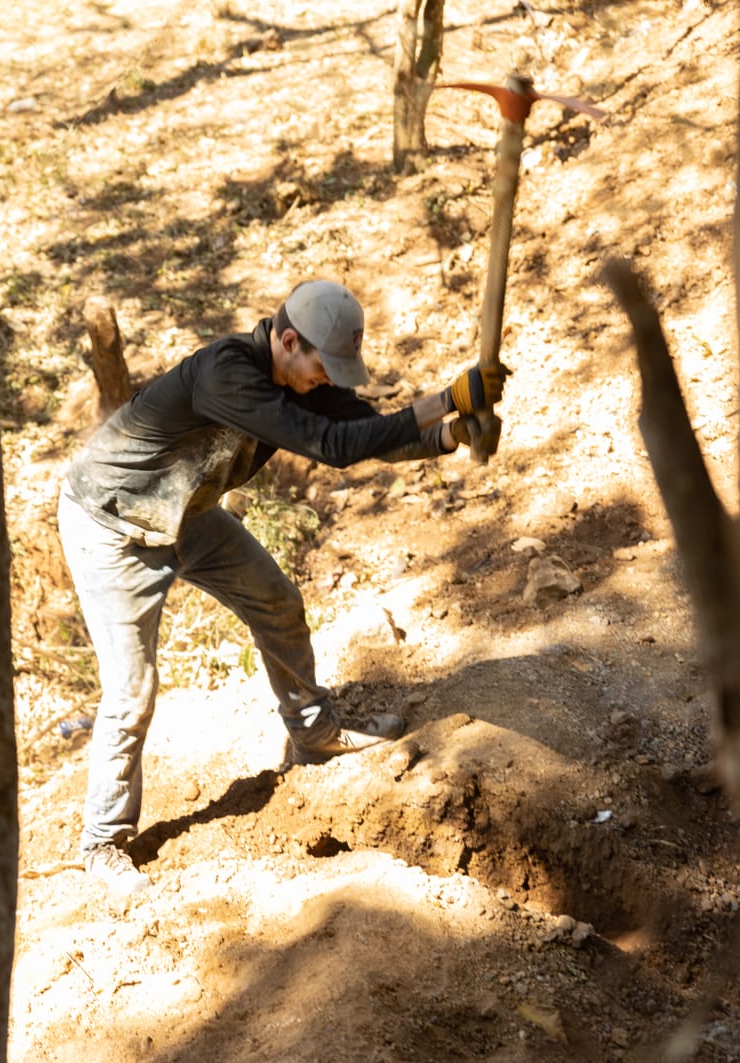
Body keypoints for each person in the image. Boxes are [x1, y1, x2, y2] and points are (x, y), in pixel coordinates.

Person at [57, 279, 507, 894]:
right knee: (132, 688)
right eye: (324, 366)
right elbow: (336, 447)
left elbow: (369, 429)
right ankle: (102, 842)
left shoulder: (301, 376)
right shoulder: (228, 373)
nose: (328, 379)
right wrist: (446, 398)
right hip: (110, 522)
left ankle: (313, 735)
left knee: (277, 603)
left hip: (181, 511)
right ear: (288, 340)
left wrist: (451, 434)